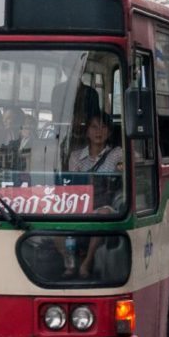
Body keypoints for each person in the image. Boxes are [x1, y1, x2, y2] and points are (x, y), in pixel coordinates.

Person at [64, 112, 123, 278]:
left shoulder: (117, 153)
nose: (99, 131)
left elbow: (133, 163)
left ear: (110, 132)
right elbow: (72, 184)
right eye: (94, 127)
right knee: (54, 219)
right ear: (87, 131)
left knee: (102, 215)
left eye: (103, 127)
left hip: (105, 202)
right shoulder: (76, 157)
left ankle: (86, 263)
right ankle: (69, 263)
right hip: (80, 202)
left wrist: (122, 168)